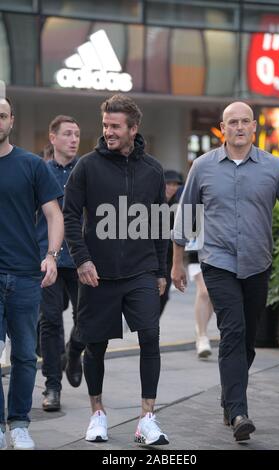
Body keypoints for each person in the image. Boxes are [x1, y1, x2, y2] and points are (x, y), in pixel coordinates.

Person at [172, 101, 279, 442]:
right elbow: (185, 214)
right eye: (233, 122)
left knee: (247, 340)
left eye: (245, 122)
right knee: (233, 330)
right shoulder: (203, 166)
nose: (239, 127)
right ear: (223, 128)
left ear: (254, 128)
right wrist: (176, 262)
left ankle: (230, 399)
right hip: (219, 262)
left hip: (258, 264)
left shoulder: (274, 167)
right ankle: (240, 411)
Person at [63, 94, 169, 446]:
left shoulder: (153, 170)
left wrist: (161, 270)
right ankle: (98, 414)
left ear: (133, 129)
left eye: (115, 126)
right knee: (96, 345)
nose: (108, 131)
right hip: (97, 272)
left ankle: (147, 419)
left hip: (140, 270)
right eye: (105, 125)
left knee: (150, 336)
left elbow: (158, 224)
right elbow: (71, 215)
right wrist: (82, 259)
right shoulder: (87, 167)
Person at [0, 97, 64, 450]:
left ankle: (19, 423)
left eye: (2, 115)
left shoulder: (31, 165)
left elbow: (55, 216)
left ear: (11, 121)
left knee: (25, 353)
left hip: (25, 274)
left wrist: (52, 256)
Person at [36, 115, 86, 412]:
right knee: (50, 321)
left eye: (77, 134)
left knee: (88, 320)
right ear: (53, 138)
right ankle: (52, 386)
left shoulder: (87, 170)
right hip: (48, 260)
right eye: (67, 133)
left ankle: (74, 352)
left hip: (82, 259)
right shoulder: (39, 171)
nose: (74, 139)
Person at [159, 170, 183, 316]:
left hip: (168, 259)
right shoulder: (151, 202)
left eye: (175, 184)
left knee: (163, 296)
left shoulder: (178, 207)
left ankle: (152, 327)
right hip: (149, 258)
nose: (172, 187)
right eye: (168, 183)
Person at [186, 251, 214, 358]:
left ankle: (201, 328)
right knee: (204, 291)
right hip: (197, 254)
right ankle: (202, 336)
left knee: (211, 293)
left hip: (218, 255)